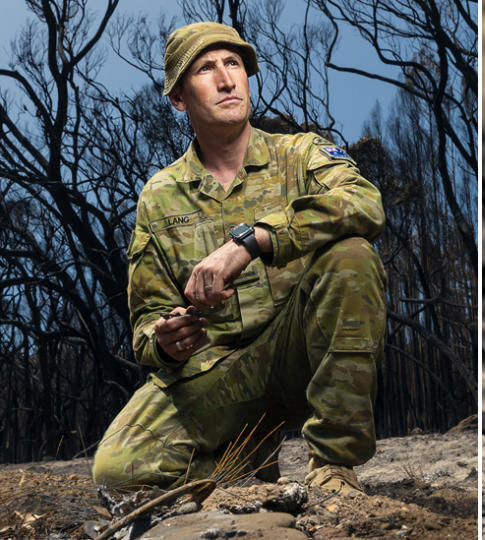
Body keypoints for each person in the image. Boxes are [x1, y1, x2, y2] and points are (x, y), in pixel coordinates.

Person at [91, 22, 387, 496]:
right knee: (118, 471)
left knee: (353, 256)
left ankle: (333, 468)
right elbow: (146, 325)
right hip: (219, 377)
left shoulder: (301, 154)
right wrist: (166, 340)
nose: (227, 79)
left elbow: (366, 203)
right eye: (206, 69)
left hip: (300, 356)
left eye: (234, 64)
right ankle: (243, 466)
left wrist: (252, 241)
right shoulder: (160, 197)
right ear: (179, 99)